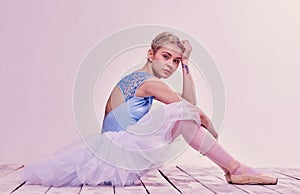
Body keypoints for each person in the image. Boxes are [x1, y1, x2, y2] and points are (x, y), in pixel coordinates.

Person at [21, 32, 277, 187]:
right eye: (166, 57)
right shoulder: (149, 83)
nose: (171, 65)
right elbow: (193, 110)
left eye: (176, 61)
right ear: (150, 54)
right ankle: (235, 168)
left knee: (183, 114)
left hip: (114, 154)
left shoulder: (141, 80)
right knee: (185, 116)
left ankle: (233, 169)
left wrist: (187, 65)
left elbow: (188, 105)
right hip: (120, 156)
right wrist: (208, 128)